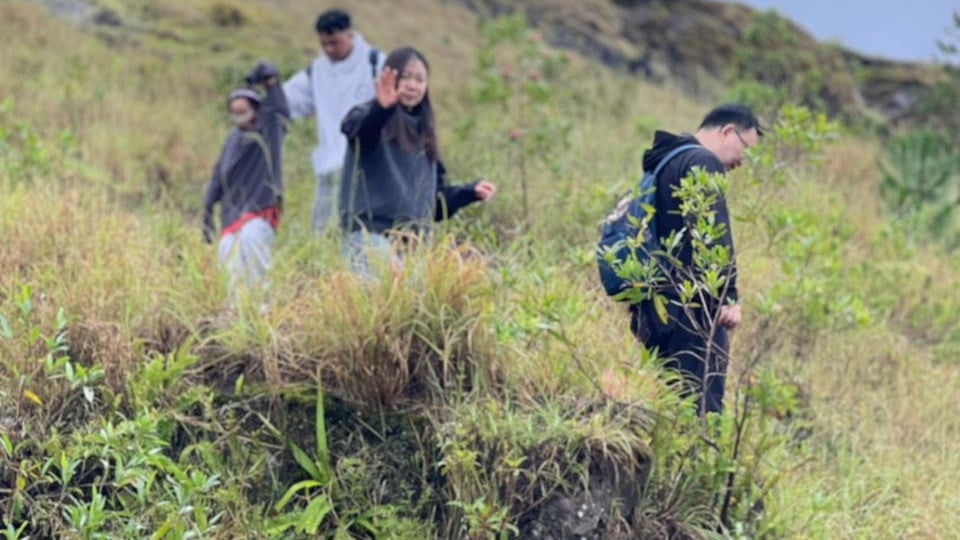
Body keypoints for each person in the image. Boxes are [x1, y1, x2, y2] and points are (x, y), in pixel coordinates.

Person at [631, 104, 761, 415]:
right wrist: (728, 296)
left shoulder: (668, 159)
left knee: (668, 400)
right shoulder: (702, 161)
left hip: (657, 304)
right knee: (701, 408)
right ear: (728, 131)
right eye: (745, 148)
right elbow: (712, 232)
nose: (743, 161)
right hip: (692, 309)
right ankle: (694, 463)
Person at [339, 46, 497, 275]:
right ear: (389, 79)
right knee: (377, 304)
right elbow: (357, 129)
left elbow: (433, 204)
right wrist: (381, 110)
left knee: (411, 306)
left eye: (420, 79)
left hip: (413, 244)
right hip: (371, 237)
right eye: (405, 78)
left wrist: (469, 192)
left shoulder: (424, 135)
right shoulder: (370, 118)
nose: (413, 86)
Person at [282, 9, 386, 233]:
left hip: (369, 165)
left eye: (334, 43)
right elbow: (287, 100)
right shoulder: (317, 71)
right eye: (324, 44)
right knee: (323, 230)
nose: (329, 49)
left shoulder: (376, 63)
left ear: (350, 34)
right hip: (330, 164)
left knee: (364, 228)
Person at [202, 62, 289, 298]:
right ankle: (233, 314)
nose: (239, 113)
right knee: (227, 255)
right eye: (235, 110)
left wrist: (271, 82)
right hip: (232, 214)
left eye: (244, 108)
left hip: (259, 210)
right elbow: (219, 175)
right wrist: (208, 209)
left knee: (252, 246)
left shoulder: (268, 132)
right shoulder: (232, 139)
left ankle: (261, 308)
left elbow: (279, 112)